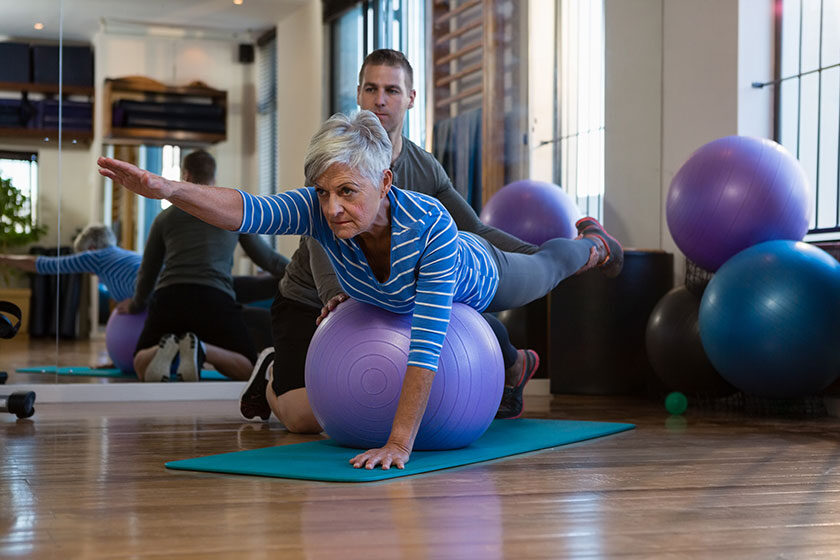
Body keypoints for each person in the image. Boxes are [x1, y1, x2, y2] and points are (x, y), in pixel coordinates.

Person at [97, 109, 623, 469]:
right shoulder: (321, 211)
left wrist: (398, 443)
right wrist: (167, 189)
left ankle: (594, 243)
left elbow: (428, 341)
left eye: (348, 192)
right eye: (323, 192)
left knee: (550, 266)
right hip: (393, 296)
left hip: (480, 277)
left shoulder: (432, 227)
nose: (331, 208)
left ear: (386, 182)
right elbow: (245, 210)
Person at [241, 49, 574, 432]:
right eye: (371, 88)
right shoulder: (337, 157)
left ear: (410, 98)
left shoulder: (425, 167)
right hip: (313, 299)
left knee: (464, 323)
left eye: (392, 90)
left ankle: (512, 361)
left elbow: (474, 231)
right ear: (359, 94)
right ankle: (270, 371)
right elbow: (319, 240)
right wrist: (336, 292)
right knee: (303, 419)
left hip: (392, 297)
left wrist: (534, 258)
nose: (380, 99)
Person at [124, 150, 286, 383]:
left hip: (170, 297)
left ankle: (166, 349)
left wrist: (135, 304)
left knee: (140, 363)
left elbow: (148, 271)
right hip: (214, 298)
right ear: (214, 179)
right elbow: (268, 259)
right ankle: (201, 349)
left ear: (185, 175)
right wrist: (304, 275)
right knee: (248, 367)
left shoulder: (164, 218)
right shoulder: (232, 214)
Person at [0, 223, 141, 306]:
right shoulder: (124, 256)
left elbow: (44, 265)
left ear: (91, 249)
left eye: (82, 252)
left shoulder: (95, 257)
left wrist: (4, 258)